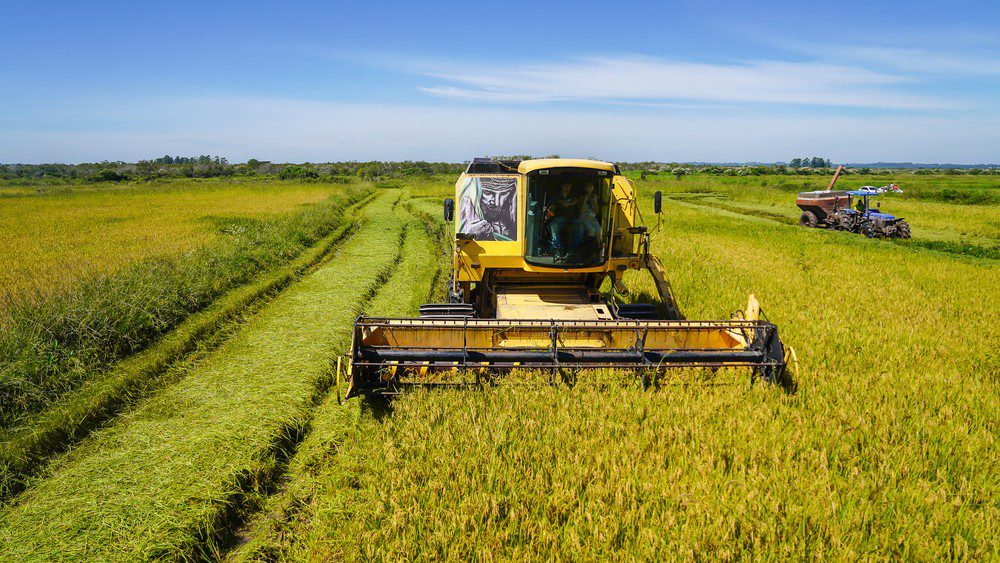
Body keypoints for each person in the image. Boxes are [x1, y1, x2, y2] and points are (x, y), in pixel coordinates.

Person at [546, 181, 582, 259]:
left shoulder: (573, 195)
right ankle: (558, 249)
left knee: (580, 226)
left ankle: (575, 249)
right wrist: (549, 213)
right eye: (566, 185)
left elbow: (576, 201)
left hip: (572, 218)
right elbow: (552, 207)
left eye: (569, 185)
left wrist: (570, 203)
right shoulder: (557, 196)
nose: (567, 187)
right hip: (560, 218)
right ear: (562, 186)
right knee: (553, 225)